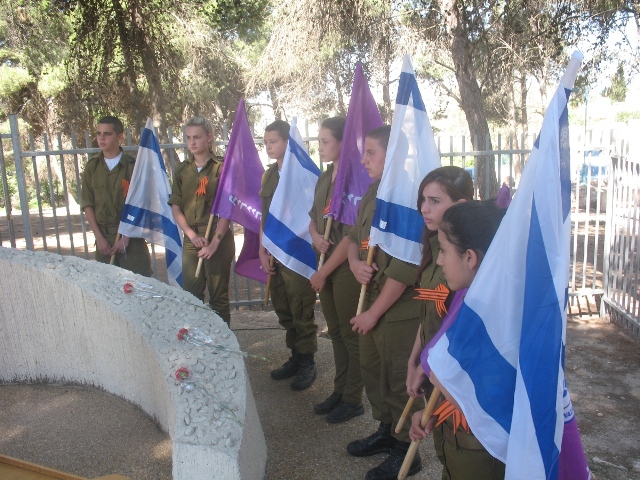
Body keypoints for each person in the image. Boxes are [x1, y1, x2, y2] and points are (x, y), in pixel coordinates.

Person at [408, 201, 507, 480]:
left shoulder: (494, 325)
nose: (439, 260)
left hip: (480, 452)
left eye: (443, 250)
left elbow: (482, 403)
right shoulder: (471, 302)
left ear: (470, 258)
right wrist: (431, 412)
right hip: (460, 442)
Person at [345, 125, 422, 480]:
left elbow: (406, 266)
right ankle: (387, 431)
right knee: (374, 374)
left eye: (371, 152)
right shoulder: (374, 192)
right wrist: (355, 264)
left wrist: (374, 313)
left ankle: (406, 449)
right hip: (370, 301)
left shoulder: (408, 196)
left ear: (394, 155)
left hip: (395, 311)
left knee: (396, 380)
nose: (363, 160)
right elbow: (352, 239)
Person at [309, 117, 364, 423]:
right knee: (337, 335)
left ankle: (354, 397)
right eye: (319, 141)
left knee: (350, 335)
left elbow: (351, 235)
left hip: (341, 269)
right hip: (324, 264)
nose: (320, 147)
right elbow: (314, 217)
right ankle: (340, 390)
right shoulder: (325, 177)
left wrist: (324, 272)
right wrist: (316, 235)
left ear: (343, 142)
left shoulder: (354, 180)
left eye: (325, 141)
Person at [259, 119, 318, 391]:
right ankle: (295, 355)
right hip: (275, 249)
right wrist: (262, 248)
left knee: (300, 306)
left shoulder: (304, 175)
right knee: (282, 305)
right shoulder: (269, 176)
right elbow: (265, 216)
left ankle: (307, 361)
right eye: (266, 142)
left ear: (287, 142)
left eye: (274, 142)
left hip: (296, 250)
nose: (268, 147)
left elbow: (311, 214)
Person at [406, 167, 474, 402]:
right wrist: (414, 359)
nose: (424, 208)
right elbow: (429, 315)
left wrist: (425, 367)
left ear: (460, 205)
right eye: (423, 200)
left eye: (434, 201)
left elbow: (454, 324)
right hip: (430, 361)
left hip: (450, 369)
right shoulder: (433, 244)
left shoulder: (468, 262)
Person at [168, 116, 235, 324]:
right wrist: (191, 235)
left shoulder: (221, 168)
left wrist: (215, 242)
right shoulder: (182, 170)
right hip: (192, 238)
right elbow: (176, 206)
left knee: (219, 297)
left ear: (209, 138)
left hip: (217, 237)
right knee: (192, 294)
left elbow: (227, 207)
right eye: (188, 138)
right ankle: (199, 341)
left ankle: (222, 344)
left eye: (197, 137)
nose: (192, 143)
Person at [81, 115, 152, 276]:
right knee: (107, 287)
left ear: (119, 136)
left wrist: (125, 238)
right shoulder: (92, 167)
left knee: (139, 285)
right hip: (104, 237)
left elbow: (140, 204)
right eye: (98, 134)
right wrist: (99, 238)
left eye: (107, 134)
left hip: (131, 237)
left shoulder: (132, 166)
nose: (101, 138)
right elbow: (87, 204)